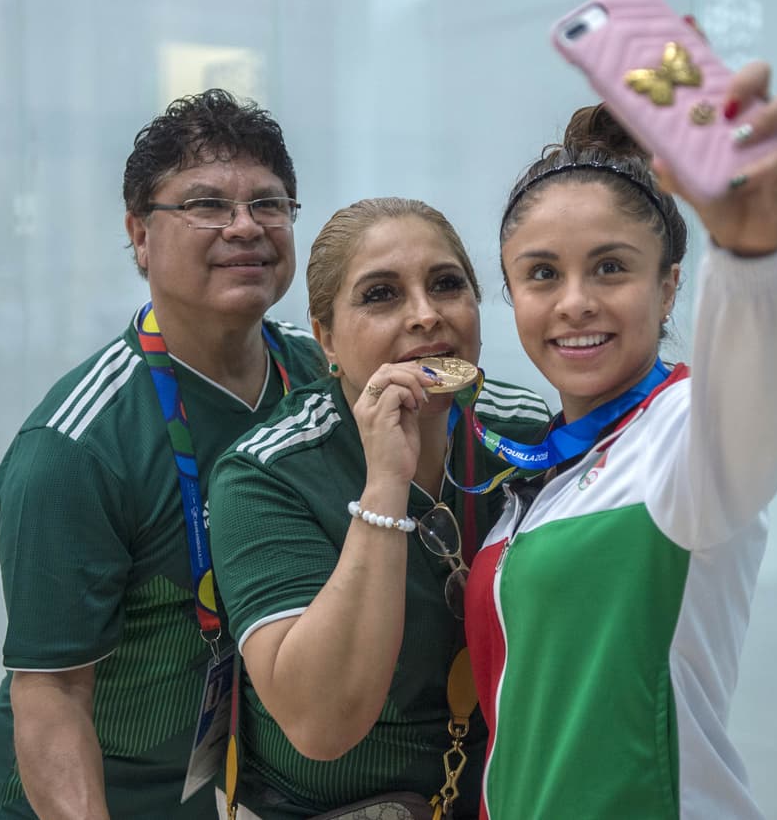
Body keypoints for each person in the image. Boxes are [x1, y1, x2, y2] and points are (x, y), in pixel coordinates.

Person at [465, 64, 777, 818]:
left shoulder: (684, 432)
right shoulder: (544, 470)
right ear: (512, 293)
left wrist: (757, 257)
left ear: (667, 288)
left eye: (611, 267)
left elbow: (761, 407)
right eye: (541, 274)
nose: (575, 302)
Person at [0, 89, 327, 820]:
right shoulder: (75, 448)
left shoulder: (321, 381)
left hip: (228, 794)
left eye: (270, 204)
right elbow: (52, 694)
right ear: (139, 234)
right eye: (206, 204)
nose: (245, 227)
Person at [208, 197, 552, 819]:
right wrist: (385, 485)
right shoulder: (266, 472)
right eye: (381, 295)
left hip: (499, 797)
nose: (426, 316)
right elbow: (320, 724)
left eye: (447, 285)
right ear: (326, 339)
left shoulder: (524, 429)